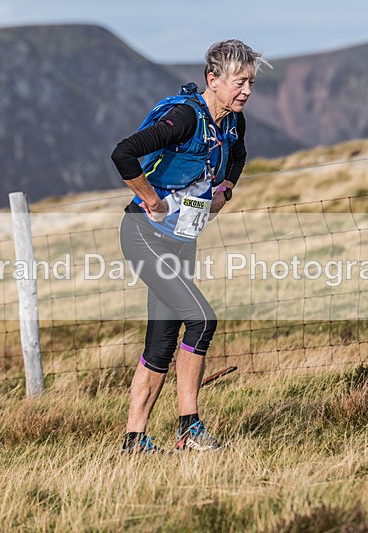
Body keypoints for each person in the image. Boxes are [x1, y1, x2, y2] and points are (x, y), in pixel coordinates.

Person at [111, 39, 269, 454]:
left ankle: (133, 440)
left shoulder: (234, 122)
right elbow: (124, 153)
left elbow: (238, 156)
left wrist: (226, 190)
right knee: (202, 320)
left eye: (251, 82)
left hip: (182, 242)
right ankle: (189, 427)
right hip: (145, 235)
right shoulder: (184, 118)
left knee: (162, 341)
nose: (247, 91)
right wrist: (149, 197)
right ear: (212, 80)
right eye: (239, 82)